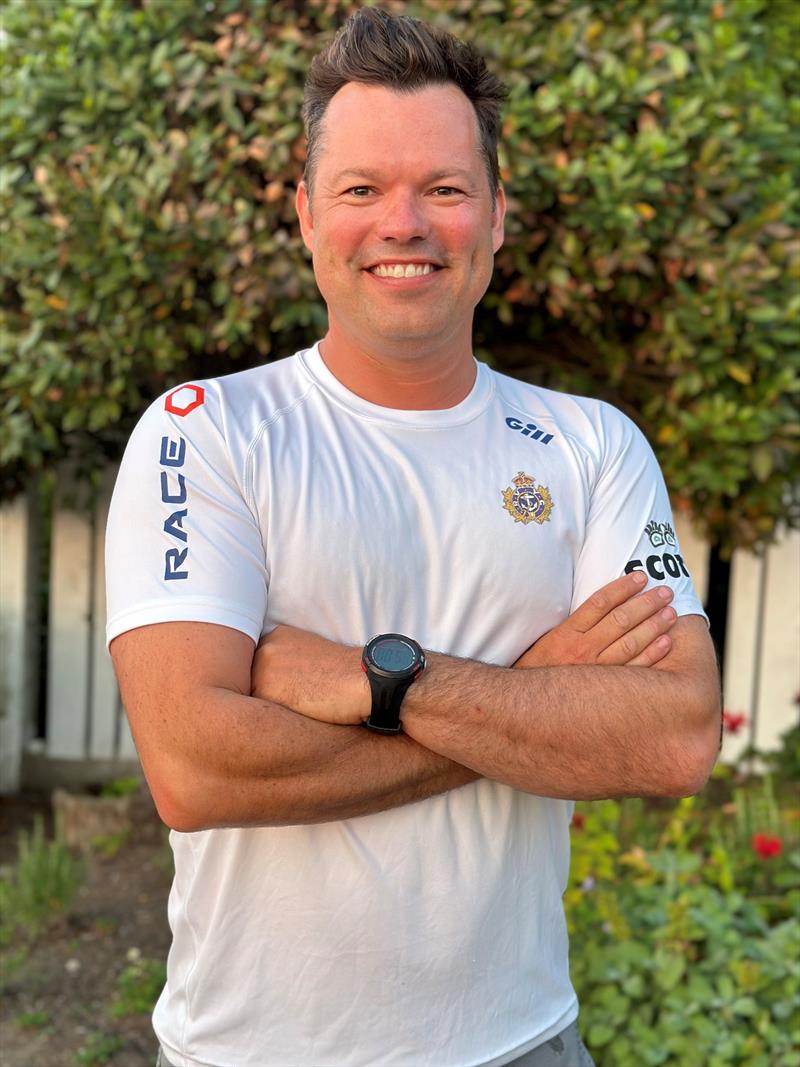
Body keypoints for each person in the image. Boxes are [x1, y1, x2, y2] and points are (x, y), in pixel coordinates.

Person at [105, 8, 720, 1067]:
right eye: (360, 190)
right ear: (304, 215)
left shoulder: (589, 445)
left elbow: (669, 737)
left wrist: (383, 680)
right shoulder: (205, 433)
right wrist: (536, 689)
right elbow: (195, 768)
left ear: (492, 217)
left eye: (442, 188)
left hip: (521, 1039)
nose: (404, 223)